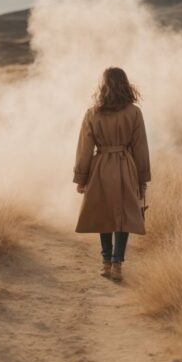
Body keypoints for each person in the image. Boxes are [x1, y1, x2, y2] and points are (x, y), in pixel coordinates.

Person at [73, 67, 151, 282]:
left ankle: (106, 262)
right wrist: (142, 178)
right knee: (123, 216)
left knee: (103, 214)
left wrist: (81, 178)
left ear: (103, 85)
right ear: (125, 84)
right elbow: (140, 147)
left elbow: (85, 148)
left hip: (100, 168)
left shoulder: (92, 113)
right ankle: (117, 263)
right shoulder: (134, 112)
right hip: (126, 166)